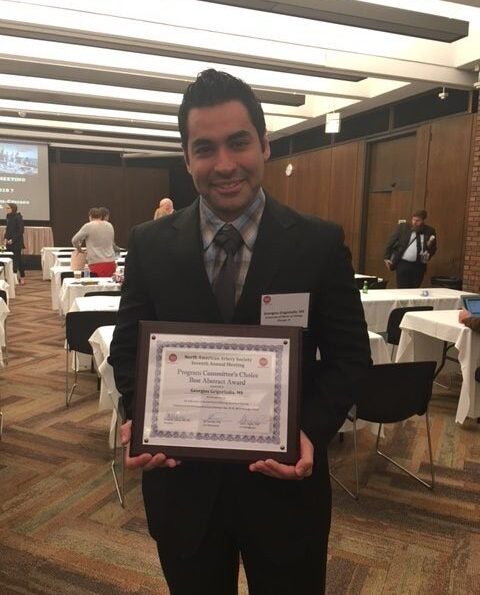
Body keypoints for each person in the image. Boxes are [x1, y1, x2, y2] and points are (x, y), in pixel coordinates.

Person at [109, 69, 371, 595]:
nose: (224, 164)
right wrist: (145, 420)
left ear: (265, 145)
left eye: (238, 142)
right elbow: (127, 353)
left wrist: (310, 432)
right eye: (205, 148)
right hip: (183, 487)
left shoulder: (317, 244)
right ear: (186, 159)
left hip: (284, 489)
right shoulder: (150, 244)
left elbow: (349, 361)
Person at [384, 209, 437, 288]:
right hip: (403, 264)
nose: (414, 223)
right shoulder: (403, 228)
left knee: (414, 290)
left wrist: (429, 252)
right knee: (402, 289)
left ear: (423, 220)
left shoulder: (429, 231)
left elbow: (433, 249)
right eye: (413, 220)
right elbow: (390, 242)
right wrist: (386, 258)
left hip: (418, 266)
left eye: (418, 220)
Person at [71, 207, 117, 277]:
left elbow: (74, 240)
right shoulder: (110, 225)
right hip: (111, 263)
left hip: (96, 263)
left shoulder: (88, 226)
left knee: (94, 286)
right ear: (101, 216)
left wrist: (79, 249)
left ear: (90, 217)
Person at [4, 202, 26, 284]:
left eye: (8, 208)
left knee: (18, 260)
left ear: (13, 209)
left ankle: (22, 277)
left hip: (17, 242)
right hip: (8, 242)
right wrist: (5, 238)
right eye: (6, 208)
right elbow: (8, 229)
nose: (6, 210)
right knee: (9, 258)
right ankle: (10, 277)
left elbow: (21, 231)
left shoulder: (18, 217)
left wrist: (12, 240)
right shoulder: (8, 216)